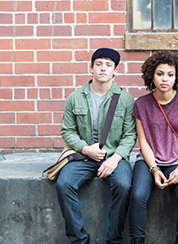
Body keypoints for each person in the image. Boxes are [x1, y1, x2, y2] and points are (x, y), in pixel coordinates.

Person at [56, 47, 136, 244]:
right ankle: (79, 239)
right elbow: (67, 131)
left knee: (124, 185)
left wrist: (115, 158)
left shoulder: (125, 100)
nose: (103, 68)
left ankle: (113, 240)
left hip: (114, 158)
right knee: (64, 184)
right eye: (98, 64)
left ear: (115, 70)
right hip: (83, 157)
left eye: (108, 65)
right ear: (90, 67)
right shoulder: (75, 98)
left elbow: (130, 135)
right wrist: (85, 148)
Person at [128, 50, 178, 244]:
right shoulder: (141, 104)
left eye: (170, 74)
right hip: (150, 160)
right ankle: (137, 240)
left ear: (177, 77)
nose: (164, 79)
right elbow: (143, 142)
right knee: (138, 195)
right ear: (152, 75)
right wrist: (154, 169)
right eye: (160, 74)